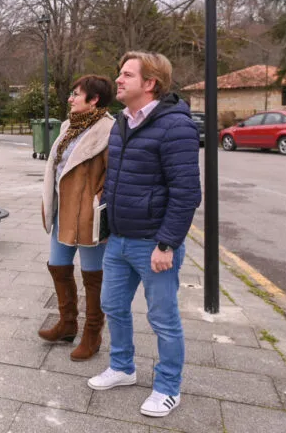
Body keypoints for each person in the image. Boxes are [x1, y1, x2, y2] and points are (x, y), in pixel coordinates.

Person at [87, 52, 201, 418]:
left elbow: (186, 193)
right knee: (113, 306)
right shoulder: (122, 121)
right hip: (118, 239)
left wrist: (167, 243)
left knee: (163, 319)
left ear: (149, 83)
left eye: (126, 75)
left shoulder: (175, 126)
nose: (117, 80)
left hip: (154, 243)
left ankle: (168, 387)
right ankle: (122, 368)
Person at [39, 75, 115, 361]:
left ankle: (92, 333)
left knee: (93, 276)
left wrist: (98, 201)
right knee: (58, 266)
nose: (70, 98)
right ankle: (67, 324)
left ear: (94, 99)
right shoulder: (69, 126)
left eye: (76, 94)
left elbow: (114, 174)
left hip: (88, 216)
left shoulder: (109, 130)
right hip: (62, 212)